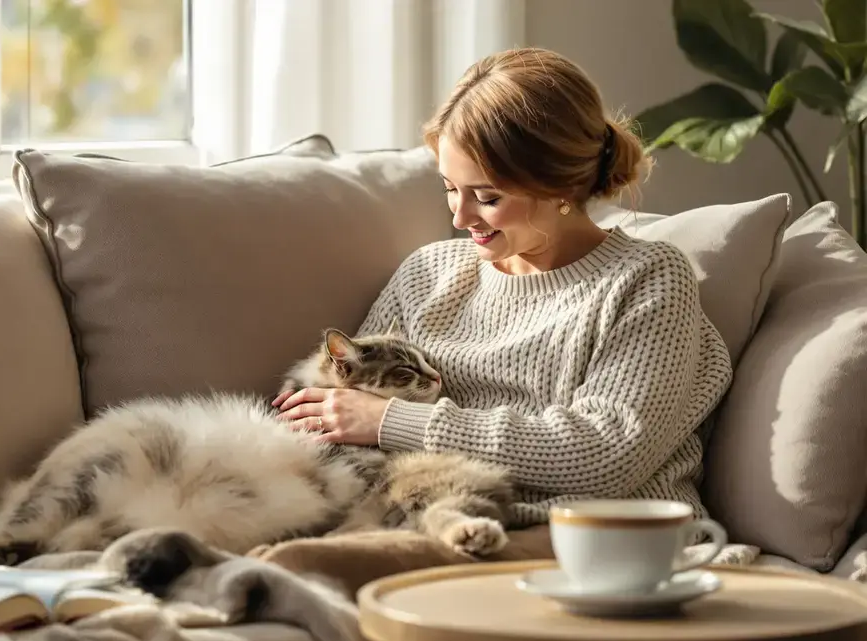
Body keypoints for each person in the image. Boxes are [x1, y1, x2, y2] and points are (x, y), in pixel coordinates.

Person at [273, 47, 733, 528]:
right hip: (421, 518)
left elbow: (607, 455)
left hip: (584, 537)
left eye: (486, 197)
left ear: (559, 186)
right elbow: (346, 410)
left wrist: (394, 423)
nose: (459, 216)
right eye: (450, 188)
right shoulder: (428, 275)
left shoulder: (647, 278)